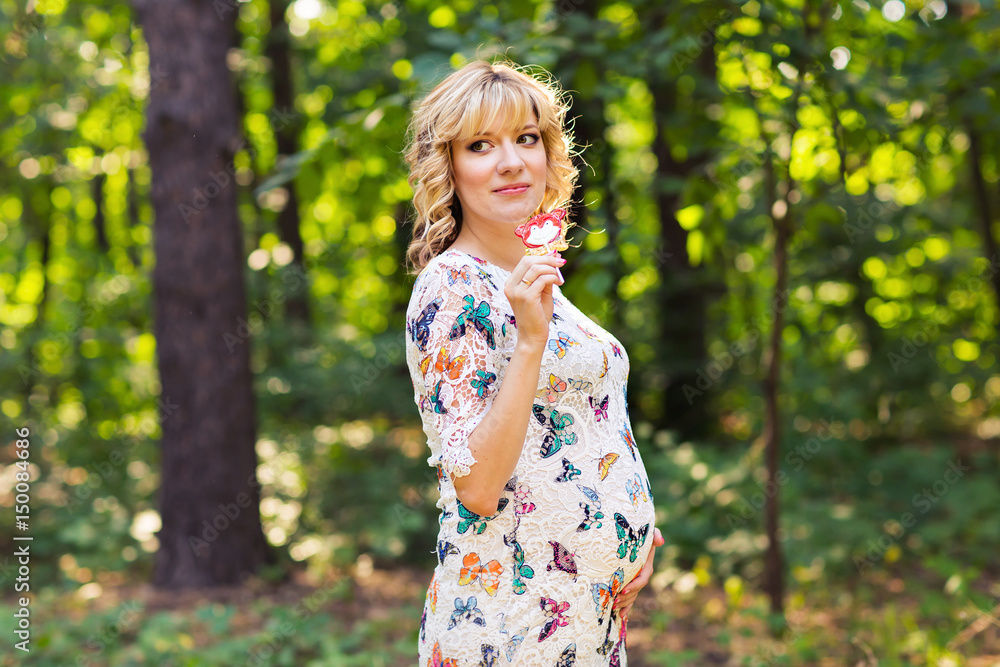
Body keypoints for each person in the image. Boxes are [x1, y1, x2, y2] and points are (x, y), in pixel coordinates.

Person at [402, 58, 664, 666]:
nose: (512, 161)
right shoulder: (452, 288)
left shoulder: (527, 279)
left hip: (585, 620)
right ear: (450, 168)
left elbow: (578, 427)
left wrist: (634, 534)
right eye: (480, 145)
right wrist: (528, 341)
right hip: (508, 627)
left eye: (526, 138)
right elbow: (477, 486)